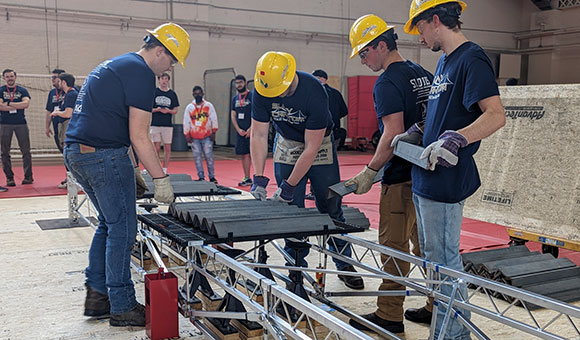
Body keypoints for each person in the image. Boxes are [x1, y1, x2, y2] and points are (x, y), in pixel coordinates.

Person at [63, 22, 189, 327]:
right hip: (104, 156)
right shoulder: (141, 73)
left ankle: (97, 297)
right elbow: (140, 135)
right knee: (123, 230)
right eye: (171, 61)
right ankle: (122, 306)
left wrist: (132, 168)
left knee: (108, 224)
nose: (168, 68)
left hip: (78, 152)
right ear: (160, 51)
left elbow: (114, 119)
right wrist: (161, 178)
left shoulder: (117, 64)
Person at [393, 1, 506, 339]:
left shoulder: (471, 58)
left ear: (436, 20)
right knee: (434, 261)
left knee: (444, 263)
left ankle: (453, 335)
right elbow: (445, 114)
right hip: (426, 179)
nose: (421, 37)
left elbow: (495, 114)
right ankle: (447, 329)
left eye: (421, 28)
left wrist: (460, 137)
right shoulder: (445, 61)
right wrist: (419, 129)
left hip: (446, 181)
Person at [344, 14, 433, 334]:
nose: (363, 60)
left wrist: (370, 171)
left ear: (382, 45)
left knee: (394, 248)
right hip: (426, 174)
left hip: (400, 178)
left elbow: (392, 135)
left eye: (365, 53)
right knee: (427, 248)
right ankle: (436, 306)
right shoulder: (422, 73)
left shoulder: (387, 82)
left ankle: (390, 314)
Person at [250, 51, 364, 290]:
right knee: (291, 212)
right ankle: (295, 268)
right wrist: (259, 178)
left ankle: (344, 263)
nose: (276, 96)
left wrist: (289, 186)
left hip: (319, 143)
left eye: (280, 91)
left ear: (290, 76)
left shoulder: (314, 91)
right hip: (287, 143)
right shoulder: (262, 89)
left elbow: (311, 148)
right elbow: (259, 134)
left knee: (330, 204)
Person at [0, 69, 33, 186]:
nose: (10, 78)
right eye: (7, 76)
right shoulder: (1, 90)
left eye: (11, 76)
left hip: (21, 124)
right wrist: (17, 105)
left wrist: (8, 103)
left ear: (15, 77)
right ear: (4, 78)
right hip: (4, 124)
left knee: (26, 151)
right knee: (4, 152)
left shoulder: (22, 90)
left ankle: (28, 177)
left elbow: (26, 104)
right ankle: (9, 178)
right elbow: (0, 106)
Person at [183, 85, 218, 183]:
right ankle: (201, 177)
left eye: (199, 93)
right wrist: (187, 134)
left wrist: (214, 131)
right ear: (193, 95)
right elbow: (186, 121)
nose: (197, 95)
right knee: (197, 157)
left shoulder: (208, 106)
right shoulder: (190, 107)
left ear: (203, 94)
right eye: (195, 94)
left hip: (207, 135)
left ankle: (212, 176)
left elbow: (213, 118)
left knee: (209, 156)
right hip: (194, 137)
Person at [150, 72, 179, 174]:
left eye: (166, 79)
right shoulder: (154, 92)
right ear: (159, 80)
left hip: (167, 124)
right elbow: (149, 108)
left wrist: (168, 111)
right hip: (155, 123)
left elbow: (175, 109)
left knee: (167, 147)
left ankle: (165, 168)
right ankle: (155, 167)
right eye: (162, 79)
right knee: (156, 147)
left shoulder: (172, 94)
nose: (164, 81)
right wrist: (157, 109)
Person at [311, 69, 348, 150]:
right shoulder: (336, 93)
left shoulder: (314, 93)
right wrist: (335, 117)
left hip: (318, 129)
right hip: (334, 129)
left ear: (322, 79)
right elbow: (344, 111)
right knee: (331, 155)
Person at [230, 74, 253, 187]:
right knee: (244, 154)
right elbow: (233, 115)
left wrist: (251, 129)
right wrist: (238, 129)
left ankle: (259, 176)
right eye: (237, 83)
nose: (238, 85)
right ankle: (247, 177)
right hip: (241, 131)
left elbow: (257, 114)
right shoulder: (235, 99)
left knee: (254, 154)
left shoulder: (252, 96)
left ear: (245, 83)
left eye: (240, 83)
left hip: (252, 131)